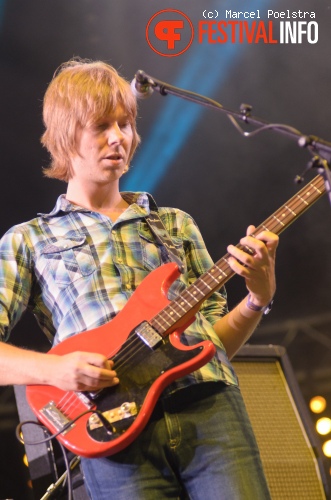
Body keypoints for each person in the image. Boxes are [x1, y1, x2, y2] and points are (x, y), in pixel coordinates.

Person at [0, 58, 278, 499]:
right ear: (66, 136)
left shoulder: (174, 224)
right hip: (110, 429)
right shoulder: (29, 240)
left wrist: (257, 298)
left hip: (209, 408)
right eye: (101, 126)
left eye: (125, 124)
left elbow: (213, 342)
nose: (119, 138)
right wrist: (54, 369)